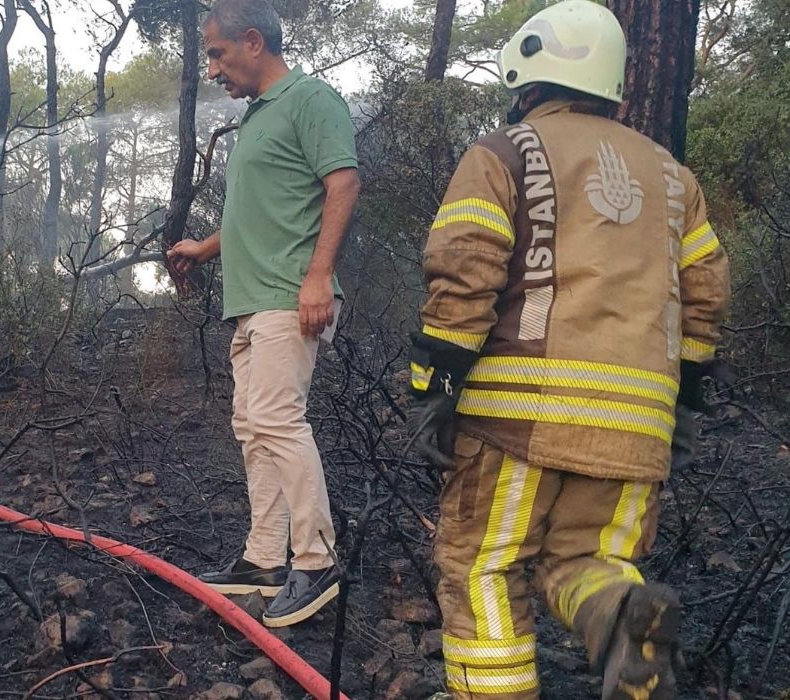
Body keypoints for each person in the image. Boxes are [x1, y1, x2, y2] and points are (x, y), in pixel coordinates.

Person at [407, 1, 729, 698]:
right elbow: (705, 291)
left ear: (528, 74)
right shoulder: (676, 178)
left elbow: (465, 269)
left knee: (482, 564)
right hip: (640, 427)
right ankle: (620, 617)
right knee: (590, 561)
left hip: (520, 421)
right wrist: (686, 401)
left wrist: (432, 388)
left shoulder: (504, 152)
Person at [166, 0, 360, 628]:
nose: (214, 69)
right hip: (249, 303)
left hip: (288, 295)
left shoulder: (310, 100)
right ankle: (264, 561)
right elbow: (256, 212)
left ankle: (318, 559)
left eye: (218, 53)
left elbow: (343, 183)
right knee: (254, 430)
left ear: (253, 42)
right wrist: (205, 245)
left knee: (277, 420)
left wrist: (319, 276)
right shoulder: (256, 118)